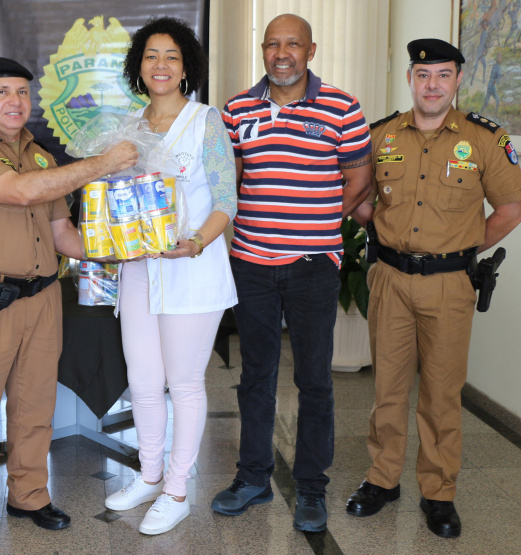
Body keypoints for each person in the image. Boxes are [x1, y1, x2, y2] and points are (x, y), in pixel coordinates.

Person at [0, 56, 137, 555]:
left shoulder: (43, 157)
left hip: (43, 298)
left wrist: (128, 245)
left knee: (35, 409)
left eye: (22, 93)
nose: (14, 101)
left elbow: (63, 234)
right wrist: (103, 163)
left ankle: (29, 495)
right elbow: (17, 191)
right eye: (2, 91)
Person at [346, 38, 521, 539]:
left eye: (443, 75)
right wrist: (382, 232)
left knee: (443, 393)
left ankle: (438, 492)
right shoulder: (380, 135)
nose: (433, 84)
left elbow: (511, 210)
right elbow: (356, 199)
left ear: (457, 81)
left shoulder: (485, 140)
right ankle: (382, 480)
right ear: (410, 78)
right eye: (424, 75)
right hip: (389, 279)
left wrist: (462, 247)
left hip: (449, 285)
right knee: (387, 388)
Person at [213, 13, 373, 532]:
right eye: (272, 44)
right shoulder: (236, 109)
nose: (282, 54)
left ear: (311, 49)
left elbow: (357, 183)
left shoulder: (343, 108)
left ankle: (310, 487)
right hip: (252, 267)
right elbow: (226, 185)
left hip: (312, 269)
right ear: (263, 50)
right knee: (255, 378)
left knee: (314, 381)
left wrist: (316, 225)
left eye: (293, 45)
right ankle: (254, 477)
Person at [101, 17, 237, 536]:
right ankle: (150, 473)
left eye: (172, 56)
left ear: (187, 68)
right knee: (143, 383)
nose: (161, 65)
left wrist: (197, 241)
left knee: (183, 384)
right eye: (151, 55)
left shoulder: (206, 121)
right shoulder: (129, 128)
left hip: (192, 271)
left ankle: (177, 489)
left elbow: (227, 200)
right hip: (139, 271)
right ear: (139, 65)